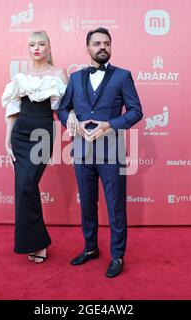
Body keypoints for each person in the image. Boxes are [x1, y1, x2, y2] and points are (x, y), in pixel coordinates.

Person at [57, 27, 143, 277]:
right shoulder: (75, 78)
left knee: (115, 206)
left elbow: (136, 111)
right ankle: (91, 248)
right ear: (88, 49)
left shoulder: (123, 76)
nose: (102, 47)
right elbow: (62, 109)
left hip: (112, 153)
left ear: (111, 47)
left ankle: (117, 255)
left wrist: (110, 125)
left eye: (106, 43)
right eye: (96, 43)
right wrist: (71, 117)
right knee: (87, 206)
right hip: (82, 152)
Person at [1, 31, 75, 263]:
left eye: (42, 44)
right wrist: (7, 139)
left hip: (43, 133)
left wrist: (74, 123)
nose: (37, 48)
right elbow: (12, 110)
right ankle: (36, 242)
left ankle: (38, 241)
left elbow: (63, 108)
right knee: (23, 188)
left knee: (27, 184)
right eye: (32, 44)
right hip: (20, 135)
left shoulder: (58, 74)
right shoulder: (21, 77)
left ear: (49, 48)